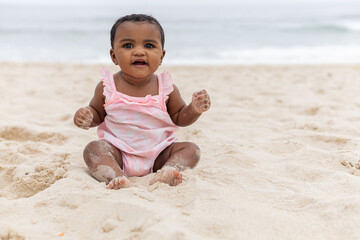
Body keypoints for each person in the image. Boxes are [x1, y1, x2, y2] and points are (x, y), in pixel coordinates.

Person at [73, 14, 211, 190]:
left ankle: (167, 171)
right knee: (93, 150)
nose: (139, 51)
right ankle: (117, 176)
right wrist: (87, 116)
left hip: (160, 153)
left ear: (161, 56)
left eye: (149, 45)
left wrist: (194, 109)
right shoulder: (108, 86)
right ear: (113, 56)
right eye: (128, 45)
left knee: (192, 150)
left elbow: (180, 118)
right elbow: (97, 113)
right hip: (118, 152)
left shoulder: (166, 88)